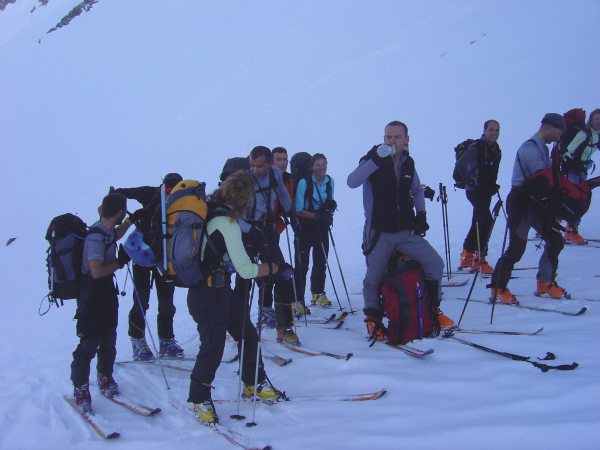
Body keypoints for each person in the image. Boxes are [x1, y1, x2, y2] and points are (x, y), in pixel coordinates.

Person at [187, 171, 289, 425]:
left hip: (218, 291)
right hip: (208, 294)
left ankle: (253, 382)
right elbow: (246, 270)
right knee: (213, 347)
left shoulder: (211, 211)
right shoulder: (227, 222)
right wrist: (276, 268)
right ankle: (198, 397)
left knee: (247, 333)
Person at [347, 120, 453, 338]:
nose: (392, 141)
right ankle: (373, 318)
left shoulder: (408, 163)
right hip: (379, 232)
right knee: (373, 277)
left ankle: (432, 309)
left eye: (397, 137)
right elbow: (352, 181)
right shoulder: (371, 160)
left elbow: (416, 191)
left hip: (405, 231)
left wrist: (421, 215)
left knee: (434, 263)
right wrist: (376, 159)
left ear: (406, 140)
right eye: (388, 137)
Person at [489, 113, 567, 303]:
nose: (559, 136)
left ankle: (545, 282)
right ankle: (498, 288)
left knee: (555, 239)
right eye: (559, 132)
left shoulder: (542, 148)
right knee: (516, 248)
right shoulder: (529, 149)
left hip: (536, 203)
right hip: (522, 204)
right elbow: (542, 180)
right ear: (550, 127)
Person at [112, 173, 185, 361]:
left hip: (165, 257)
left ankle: (166, 340)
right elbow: (126, 193)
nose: (170, 194)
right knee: (141, 300)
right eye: (168, 190)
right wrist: (117, 197)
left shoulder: (183, 199)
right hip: (143, 256)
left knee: (166, 301)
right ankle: (138, 342)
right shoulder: (151, 194)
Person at [70, 193, 132, 413]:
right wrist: (119, 262)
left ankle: (105, 376)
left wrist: (131, 222)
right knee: (89, 342)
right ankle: (81, 389)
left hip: (106, 293)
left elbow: (115, 234)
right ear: (118, 212)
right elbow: (96, 272)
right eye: (123, 212)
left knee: (109, 336)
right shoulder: (96, 237)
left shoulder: (105, 229)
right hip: (92, 295)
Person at [234, 146, 300, 345]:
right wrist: (248, 229)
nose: (256, 170)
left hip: (266, 229)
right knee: (243, 281)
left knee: (283, 274)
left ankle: (285, 327)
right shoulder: (241, 179)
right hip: (245, 233)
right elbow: (231, 211)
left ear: (270, 163)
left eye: (260, 166)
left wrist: (291, 212)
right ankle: (241, 329)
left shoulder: (275, 174)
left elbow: (281, 193)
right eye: (252, 165)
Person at [258, 147, 299, 325]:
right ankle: (265, 310)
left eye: (285, 159)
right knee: (272, 269)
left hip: (274, 230)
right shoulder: (264, 178)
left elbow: (286, 200)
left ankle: (267, 310)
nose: (282, 162)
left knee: (272, 269)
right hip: (260, 231)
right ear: (270, 161)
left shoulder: (288, 180)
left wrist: (289, 214)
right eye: (278, 159)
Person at [456, 120, 502, 274]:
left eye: (497, 130)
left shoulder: (496, 149)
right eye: (491, 130)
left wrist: (491, 185)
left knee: (478, 220)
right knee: (486, 221)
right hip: (474, 190)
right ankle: (479, 258)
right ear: (484, 130)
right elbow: (461, 165)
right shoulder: (477, 147)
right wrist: (472, 181)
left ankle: (467, 256)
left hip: (485, 191)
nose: (494, 133)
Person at [294, 153, 336, 308]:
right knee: (301, 264)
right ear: (312, 167)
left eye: (324, 164)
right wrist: (316, 215)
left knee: (321, 260)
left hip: (322, 225)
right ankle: (297, 299)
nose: (321, 167)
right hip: (305, 226)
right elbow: (298, 209)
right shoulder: (304, 183)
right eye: (318, 164)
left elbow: (329, 200)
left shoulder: (329, 181)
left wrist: (330, 208)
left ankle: (317, 293)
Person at [560, 108, 600, 244]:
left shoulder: (597, 135)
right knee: (573, 199)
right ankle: (570, 232)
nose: (599, 122)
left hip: (582, 169)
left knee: (581, 198)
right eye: (597, 119)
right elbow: (569, 150)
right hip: (573, 170)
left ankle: (569, 228)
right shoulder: (584, 134)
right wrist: (571, 165)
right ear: (591, 120)